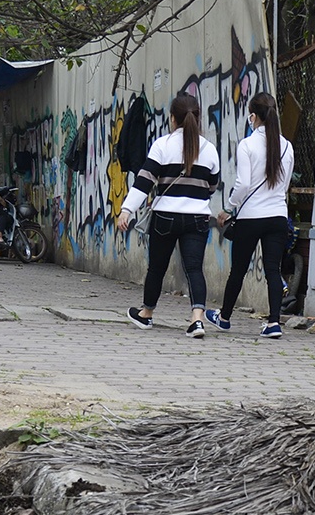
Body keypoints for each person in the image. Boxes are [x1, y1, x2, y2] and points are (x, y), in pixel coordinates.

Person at [115, 92, 221, 337]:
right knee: (194, 268)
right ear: (197, 117)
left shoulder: (162, 145)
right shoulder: (209, 149)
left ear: (172, 118)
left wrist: (127, 210)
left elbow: (144, 181)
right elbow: (212, 185)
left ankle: (146, 314)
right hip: (197, 218)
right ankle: (197, 320)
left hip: (165, 217)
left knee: (157, 268)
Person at [208, 90, 293, 339]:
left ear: (253, 116)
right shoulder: (287, 146)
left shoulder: (247, 145)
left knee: (239, 270)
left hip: (251, 218)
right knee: (272, 270)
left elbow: (243, 184)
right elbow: (285, 185)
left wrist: (228, 208)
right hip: (277, 216)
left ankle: (224, 318)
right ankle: (274, 323)